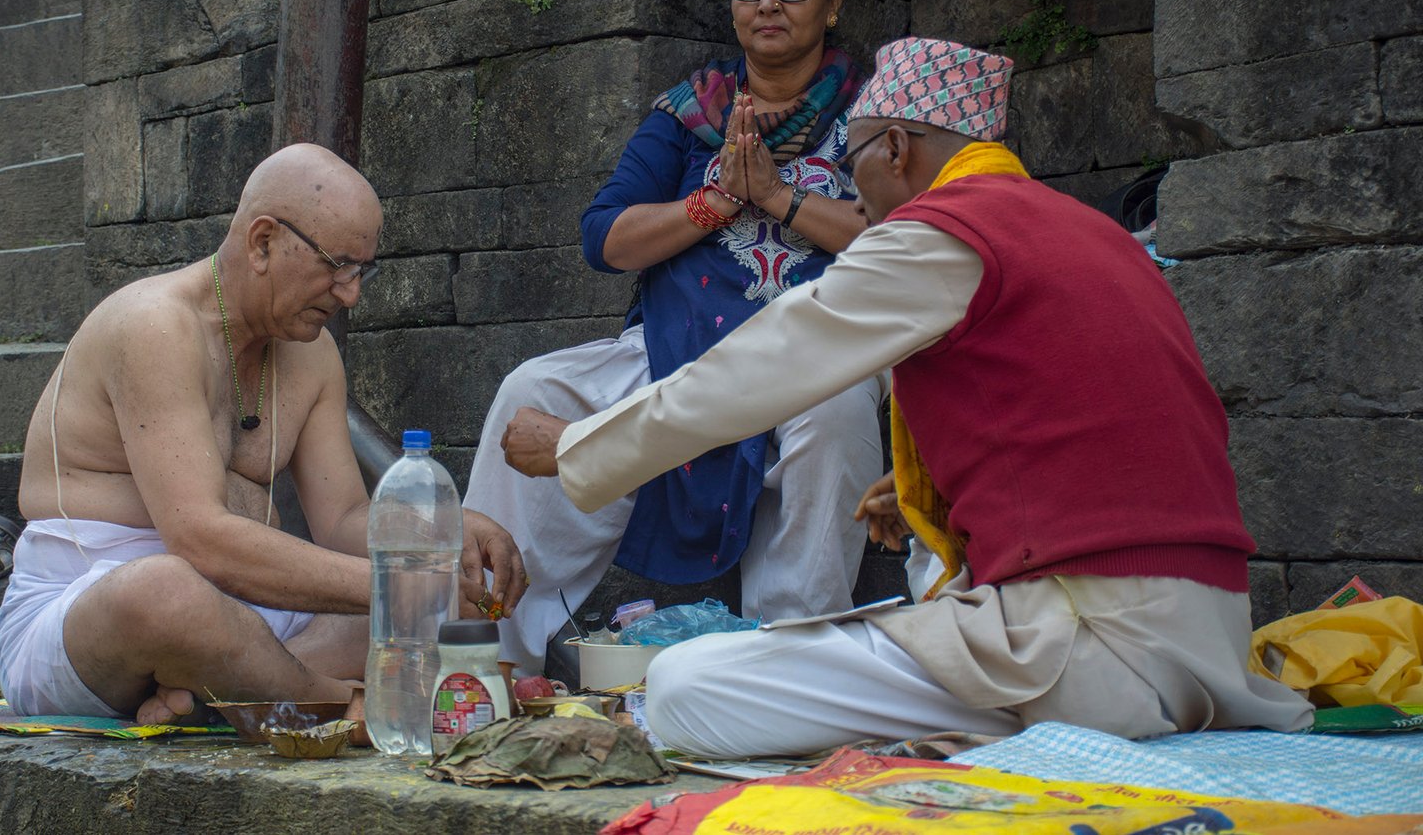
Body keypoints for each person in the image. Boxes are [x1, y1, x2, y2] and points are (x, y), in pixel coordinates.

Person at [501, 37, 1314, 758]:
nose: (856, 205)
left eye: (853, 169)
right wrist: (942, 493)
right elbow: (1083, 426)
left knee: (684, 682)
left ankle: (1004, 724)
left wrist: (578, 447)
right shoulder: (1095, 233)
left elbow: (756, 370)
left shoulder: (942, 232)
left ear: (894, 147)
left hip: (1088, 647)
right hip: (1210, 645)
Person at [464, 0, 890, 675]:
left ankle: (788, 668)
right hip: (678, 344)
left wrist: (781, 198)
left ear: (833, 5)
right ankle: (493, 656)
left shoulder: (876, 112)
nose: (769, 3)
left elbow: (902, 238)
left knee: (836, 411)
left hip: (821, 353)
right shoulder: (693, 113)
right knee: (532, 386)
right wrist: (715, 203)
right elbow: (606, 238)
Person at [0, 144, 526, 724]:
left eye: (362, 271)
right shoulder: (155, 325)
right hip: (90, 616)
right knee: (166, 594)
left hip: (245, 618)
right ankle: (336, 703)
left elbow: (344, 519)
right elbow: (201, 539)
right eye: (336, 265)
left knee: (444, 612)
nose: (350, 294)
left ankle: (217, 691)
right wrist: (406, 584)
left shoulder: (312, 352)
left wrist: (442, 534)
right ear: (263, 241)